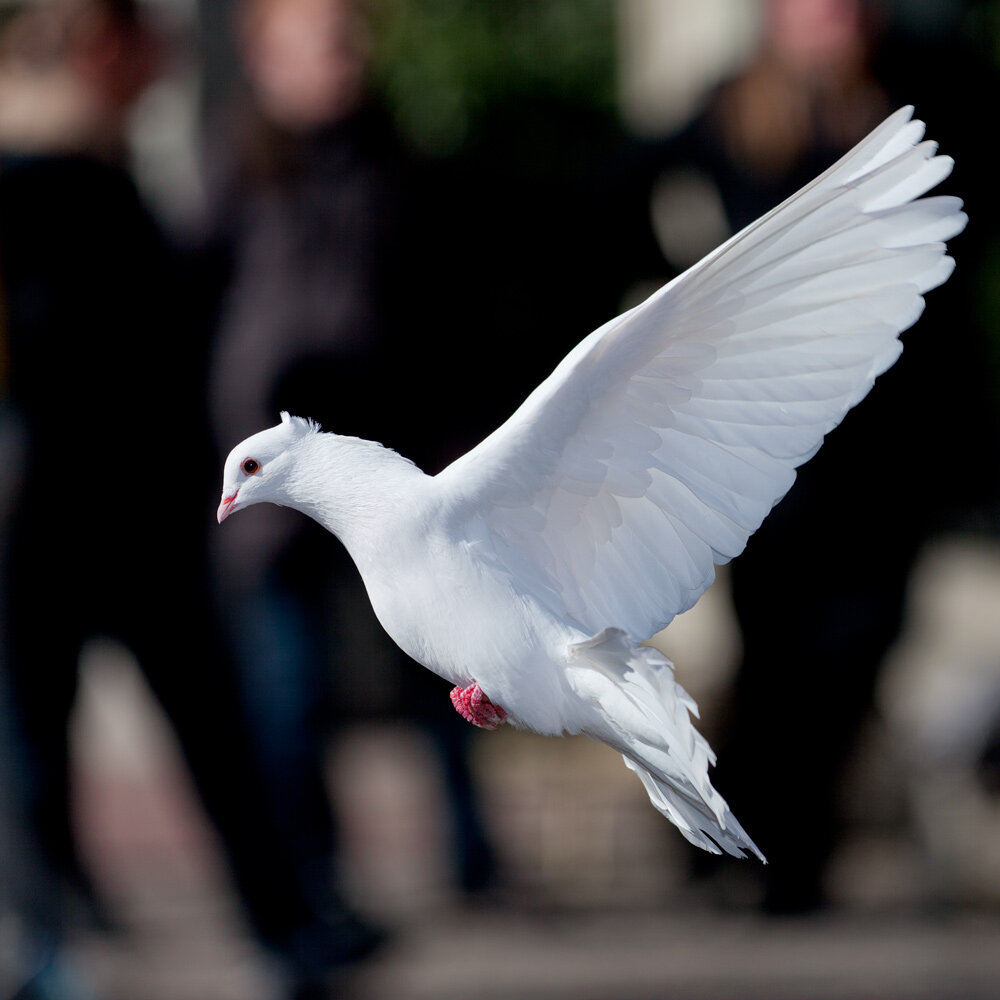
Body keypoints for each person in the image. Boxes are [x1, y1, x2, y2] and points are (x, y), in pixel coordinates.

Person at [0, 2, 374, 995]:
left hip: (108, 512)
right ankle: (55, 946)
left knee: (162, 738)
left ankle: (83, 941)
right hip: (66, 515)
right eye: (147, 39)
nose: (167, 57)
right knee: (65, 745)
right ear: (100, 46)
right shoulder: (48, 171)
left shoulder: (95, 162)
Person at [646, 0, 997, 912]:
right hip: (774, 442)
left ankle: (785, 849)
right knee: (776, 655)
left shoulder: (918, 99)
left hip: (895, 442)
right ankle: (747, 847)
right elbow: (620, 188)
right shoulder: (731, 113)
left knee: (858, 647)